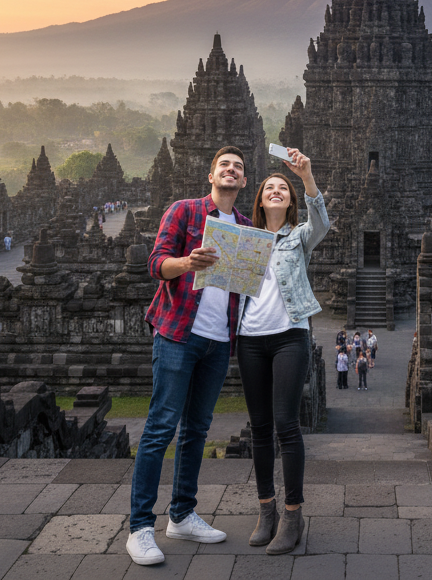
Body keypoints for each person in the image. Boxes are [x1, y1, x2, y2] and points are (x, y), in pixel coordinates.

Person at [126, 146, 251, 567]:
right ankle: (140, 527)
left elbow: (250, 280)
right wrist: (187, 262)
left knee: (197, 428)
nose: (230, 171)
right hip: (179, 333)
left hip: (218, 340)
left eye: (238, 167)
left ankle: (181, 514)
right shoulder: (184, 212)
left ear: (244, 181)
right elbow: (156, 263)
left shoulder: (248, 227)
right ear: (211, 175)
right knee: (160, 427)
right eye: (224, 166)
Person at [238, 148, 328, 555]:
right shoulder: (244, 240)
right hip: (250, 338)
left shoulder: (299, 237)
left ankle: (293, 513)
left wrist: (305, 176)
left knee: (285, 425)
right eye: (269, 188)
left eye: (283, 188)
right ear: (259, 200)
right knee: (259, 428)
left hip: (290, 335)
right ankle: (266, 510)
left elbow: (321, 221)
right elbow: (224, 285)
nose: (276, 191)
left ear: (291, 201)